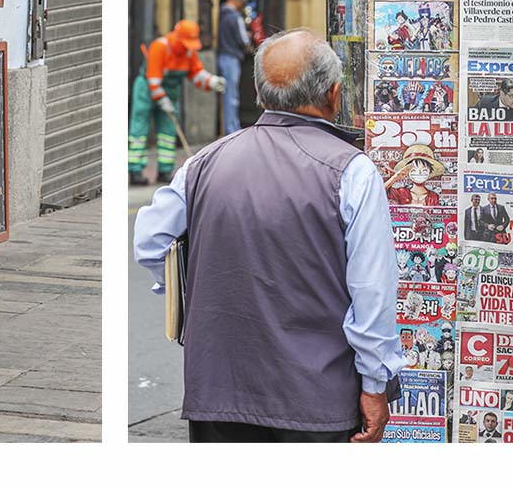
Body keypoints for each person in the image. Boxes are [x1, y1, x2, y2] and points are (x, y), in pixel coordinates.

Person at [134, 29, 405, 442]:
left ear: (261, 96)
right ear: (334, 95)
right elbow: (372, 293)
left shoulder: (204, 162)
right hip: (316, 400)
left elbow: (152, 244)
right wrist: (374, 385)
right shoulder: (352, 171)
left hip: (219, 393)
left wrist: (201, 290)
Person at [127, 20, 226, 186]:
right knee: (139, 129)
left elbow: (195, 74)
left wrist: (212, 81)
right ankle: (135, 170)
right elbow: (153, 80)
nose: (188, 47)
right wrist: (162, 100)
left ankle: (165, 171)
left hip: (170, 92)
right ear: (177, 38)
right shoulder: (160, 47)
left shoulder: (189, 51)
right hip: (146, 89)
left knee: (168, 131)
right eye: (186, 43)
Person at [217, 0, 253, 135]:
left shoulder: (220, 14)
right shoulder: (235, 17)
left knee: (224, 96)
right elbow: (243, 40)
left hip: (221, 56)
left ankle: (226, 127)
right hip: (231, 59)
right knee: (231, 97)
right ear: (238, 1)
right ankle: (232, 131)